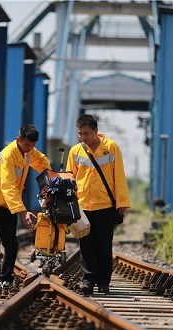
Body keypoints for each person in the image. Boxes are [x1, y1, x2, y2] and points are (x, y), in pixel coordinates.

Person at [0, 124, 51, 294]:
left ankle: (6, 279)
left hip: (8, 204)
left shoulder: (28, 152)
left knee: (11, 243)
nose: (30, 149)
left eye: (33, 146)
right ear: (18, 140)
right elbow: (8, 186)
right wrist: (22, 210)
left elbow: (42, 162)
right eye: (27, 145)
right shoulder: (9, 155)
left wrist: (52, 180)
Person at [66, 114, 130, 295]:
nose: (83, 137)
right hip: (83, 206)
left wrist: (122, 201)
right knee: (86, 246)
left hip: (105, 206)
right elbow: (70, 178)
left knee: (103, 245)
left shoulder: (111, 148)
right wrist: (69, 203)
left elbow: (119, 175)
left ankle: (104, 282)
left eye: (86, 133)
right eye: (80, 134)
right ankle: (88, 280)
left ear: (96, 131)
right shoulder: (75, 151)